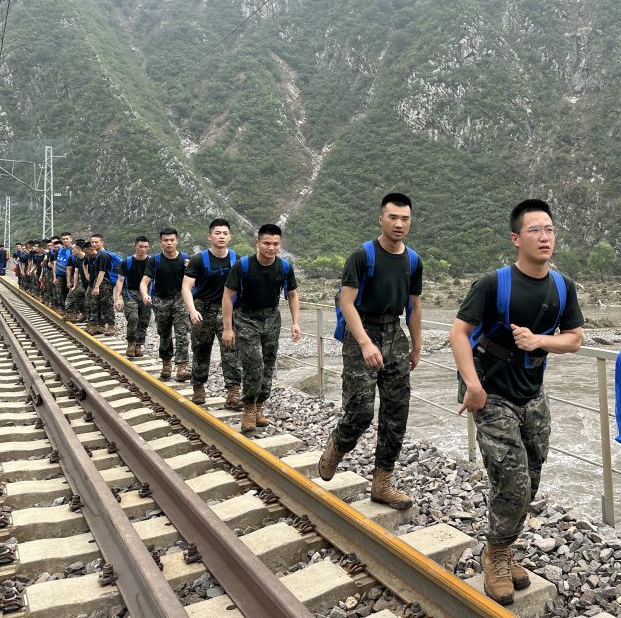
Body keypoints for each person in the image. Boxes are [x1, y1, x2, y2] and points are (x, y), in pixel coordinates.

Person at [448, 198, 584, 605]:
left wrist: (540, 340)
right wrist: (472, 385)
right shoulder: (494, 283)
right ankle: (497, 554)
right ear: (515, 238)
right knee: (513, 480)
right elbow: (458, 333)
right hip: (490, 392)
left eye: (550, 229)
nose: (545, 237)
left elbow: (574, 339)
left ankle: (502, 545)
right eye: (535, 230)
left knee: (532, 477)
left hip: (533, 395)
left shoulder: (563, 286)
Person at [317, 192, 423, 511]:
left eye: (405, 218)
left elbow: (415, 306)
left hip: (394, 333)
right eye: (393, 217)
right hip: (361, 331)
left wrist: (416, 345)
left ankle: (382, 483)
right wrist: (364, 342)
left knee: (396, 412)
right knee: (360, 411)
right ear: (381, 219)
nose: (399, 224)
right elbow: (345, 302)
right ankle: (338, 445)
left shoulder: (413, 261)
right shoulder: (363, 255)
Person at [221, 223, 301, 433]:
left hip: (272, 319)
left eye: (275, 244)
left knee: (268, 365)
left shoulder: (284, 267)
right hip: (246, 319)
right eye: (267, 243)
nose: (271, 248)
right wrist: (227, 328)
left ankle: (259, 406)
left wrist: (295, 322)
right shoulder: (243, 265)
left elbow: (292, 294)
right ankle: (248, 407)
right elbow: (228, 296)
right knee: (253, 363)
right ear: (257, 243)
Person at [182, 218, 241, 408]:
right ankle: (198, 387)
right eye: (217, 233)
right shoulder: (199, 259)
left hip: (228, 312)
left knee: (231, 352)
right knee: (200, 349)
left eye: (225, 233)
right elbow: (186, 287)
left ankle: (233, 393)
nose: (221, 236)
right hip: (203, 310)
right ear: (210, 236)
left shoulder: (236, 259)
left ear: (230, 237)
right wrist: (192, 311)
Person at [140, 228, 191, 382]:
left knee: (182, 333)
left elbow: (194, 281)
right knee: (164, 333)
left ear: (177, 241)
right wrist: (144, 294)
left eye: (172, 240)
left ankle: (182, 367)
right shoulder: (154, 260)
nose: (169, 243)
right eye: (166, 240)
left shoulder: (185, 259)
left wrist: (190, 270)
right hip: (160, 300)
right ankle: (166, 363)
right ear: (161, 242)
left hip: (180, 300)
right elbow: (144, 282)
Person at [114, 236, 152, 357]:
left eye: (145, 247)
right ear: (135, 246)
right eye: (140, 246)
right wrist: (117, 298)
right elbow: (120, 281)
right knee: (133, 318)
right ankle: (131, 343)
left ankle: (139, 344)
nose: (143, 249)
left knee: (144, 320)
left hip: (147, 294)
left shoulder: (152, 262)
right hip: (130, 293)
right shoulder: (127, 262)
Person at [86, 234, 117, 335]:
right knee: (96, 304)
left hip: (104, 282)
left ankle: (111, 326)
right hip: (99, 282)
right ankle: (100, 326)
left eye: (96, 242)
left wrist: (96, 287)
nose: (94, 244)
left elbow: (102, 272)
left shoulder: (103, 255)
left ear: (102, 242)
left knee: (106, 304)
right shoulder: (98, 254)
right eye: (92, 242)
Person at [64, 239, 90, 322]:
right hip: (82, 283)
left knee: (90, 301)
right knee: (75, 295)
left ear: (79, 249)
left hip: (90, 283)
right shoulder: (77, 258)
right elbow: (76, 272)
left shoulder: (87, 258)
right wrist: (75, 285)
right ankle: (81, 314)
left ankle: (92, 319)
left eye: (74, 249)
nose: (72, 251)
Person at [53, 233, 74, 315]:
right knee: (60, 293)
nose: (65, 240)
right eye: (63, 239)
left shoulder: (73, 250)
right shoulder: (59, 250)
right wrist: (54, 276)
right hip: (60, 275)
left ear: (71, 239)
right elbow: (55, 263)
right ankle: (63, 310)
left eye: (67, 239)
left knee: (71, 294)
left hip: (71, 275)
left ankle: (71, 312)